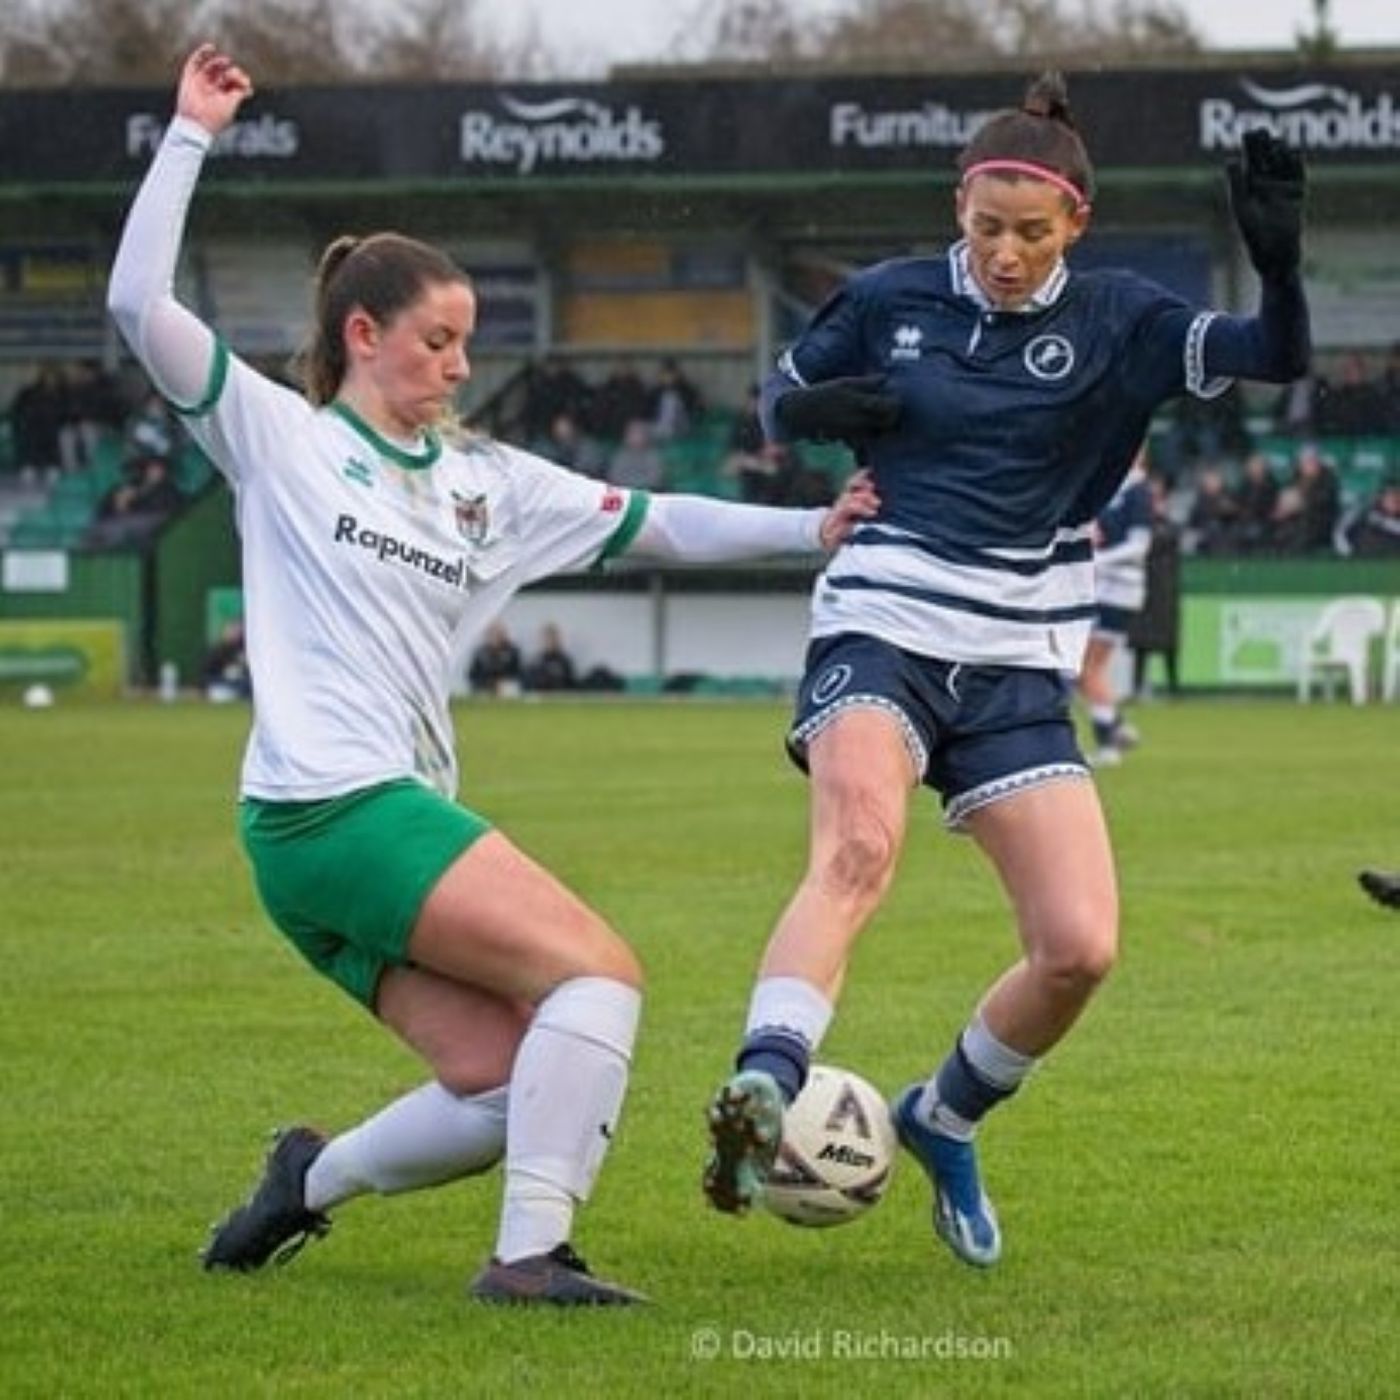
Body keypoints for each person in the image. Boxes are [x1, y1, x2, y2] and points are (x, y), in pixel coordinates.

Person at [109, 46, 879, 1308]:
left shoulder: (484, 483)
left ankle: (303, 1182)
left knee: (509, 1079)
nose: (459, 365)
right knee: (600, 973)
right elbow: (140, 304)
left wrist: (810, 530)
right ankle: (530, 1254)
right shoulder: (281, 439)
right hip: (333, 803)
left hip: (326, 833)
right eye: (437, 340)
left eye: (468, 342)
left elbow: (658, 522)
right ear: (363, 335)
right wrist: (190, 131)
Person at [701, 73, 1310, 1270]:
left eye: (1032, 233)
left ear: (1074, 222)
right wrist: (805, 406)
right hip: (882, 619)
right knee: (857, 847)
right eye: (986, 229)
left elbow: (1274, 358)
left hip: (1020, 653)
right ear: (957, 210)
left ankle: (940, 1117)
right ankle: (761, 1090)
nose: (1006, 254)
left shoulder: (1125, 320)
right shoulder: (889, 296)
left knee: (1079, 946)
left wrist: (1279, 265)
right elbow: (778, 395)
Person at [1078, 451, 1153, 766]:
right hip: (1104, 586)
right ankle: (1116, 727)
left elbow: (1140, 545)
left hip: (1119, 588)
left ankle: (1110, 741)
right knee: (1089, 667)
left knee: (1089, 668)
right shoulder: (1112, 486)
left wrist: (1099, 560)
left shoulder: (1138, 490)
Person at [1128, 474, 1184, 699]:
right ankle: (1136, 686)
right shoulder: (1140, 522)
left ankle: (1174, 688)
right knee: (1141, 643)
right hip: (1144, 587)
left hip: (1165, 590)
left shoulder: (1170, 524)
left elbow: (1168, 540)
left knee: (1168, 643)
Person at [467, 621, 523, 696]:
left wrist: (504, 681)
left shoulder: (513, 651)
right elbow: (472, 674)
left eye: (499, 633)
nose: (496, 636)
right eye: (493, 633)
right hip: (484, 687)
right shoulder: (480, 652)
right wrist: (488, 682)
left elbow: (518, 672)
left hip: (505, 686)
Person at [524, 622, 578, 693]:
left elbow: (572, 684)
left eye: (553, 638)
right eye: (548, 638)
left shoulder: (565, 661)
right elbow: (530, 684)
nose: (551, 641)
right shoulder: (536, 661)